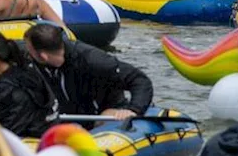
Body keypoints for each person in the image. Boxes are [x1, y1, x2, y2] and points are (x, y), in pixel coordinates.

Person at [24, 23, 152, 119]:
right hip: (66, 116)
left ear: (43, 56)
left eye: (29, 50)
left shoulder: (94, 60)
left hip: (102, 114)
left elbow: (139, 80)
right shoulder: (35, 62)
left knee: (106, 116)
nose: (27, 53)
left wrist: (133, 109)